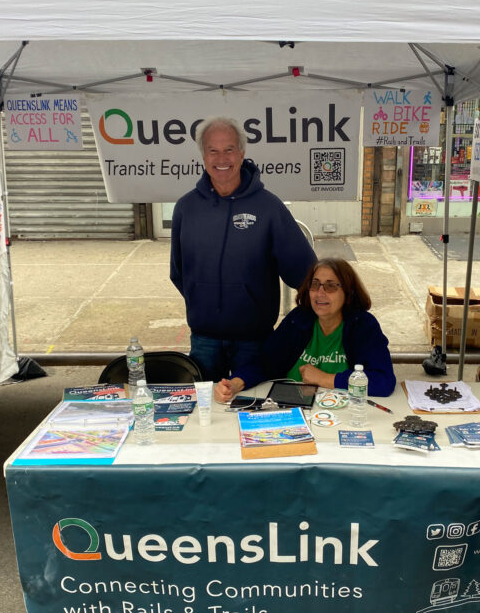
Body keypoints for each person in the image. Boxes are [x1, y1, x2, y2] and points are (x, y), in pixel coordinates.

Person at [170, 116, 316, 381]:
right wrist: (205, 301)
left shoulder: (269, 207)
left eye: (229, 149)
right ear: (203, 156)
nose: (221, 158)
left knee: (253, 413)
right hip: (204, 340)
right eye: (213, 150)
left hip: (254, 341)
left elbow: (305, 273)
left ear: (242, 153)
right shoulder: (185, 208)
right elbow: (179, 271)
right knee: (207, 417)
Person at [214, 258, 396, 402]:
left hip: (342, 412)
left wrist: (324, 378)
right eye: (315, 284)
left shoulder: (362, 326)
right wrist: (236, 383)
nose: (320, 292)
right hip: (293, 407)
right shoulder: (298, 320)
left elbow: (383, 381)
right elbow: (265, 362)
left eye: (331, 285)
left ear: (348, 292)